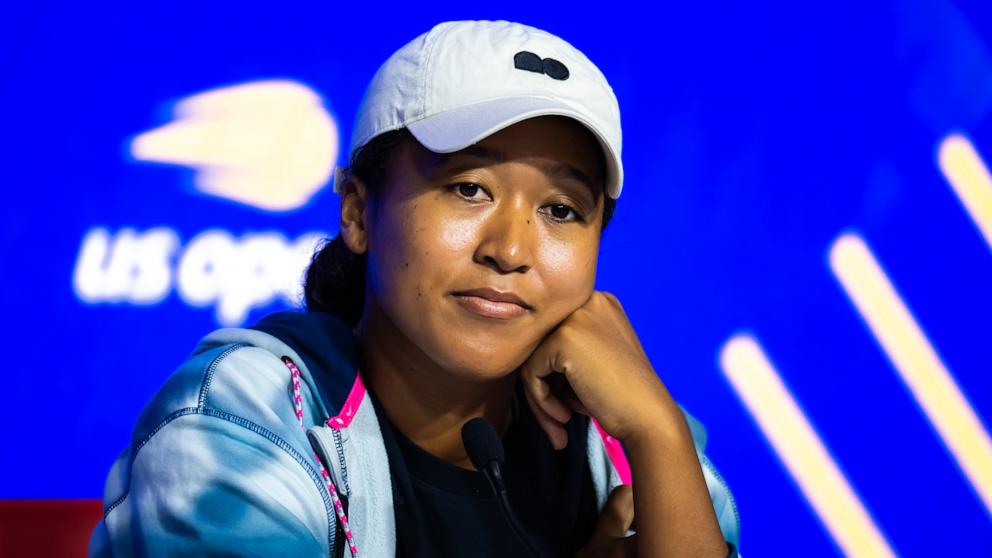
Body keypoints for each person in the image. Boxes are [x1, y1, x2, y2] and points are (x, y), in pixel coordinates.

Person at [90, 20, 740, 558]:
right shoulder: (249, 415)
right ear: (357, 213)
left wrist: (658, 434)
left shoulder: (627, 439)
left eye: (562, 210)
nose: (510, 250)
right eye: (468, 189)